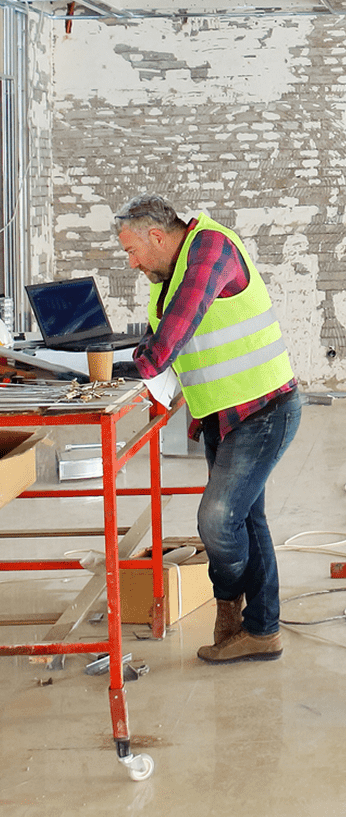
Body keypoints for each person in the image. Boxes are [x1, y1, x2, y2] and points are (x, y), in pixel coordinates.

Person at [113, 194, 301, 664]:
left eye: (132, 250)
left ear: (157, 236)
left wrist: (104, 370)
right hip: (223, 414)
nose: (132, 262)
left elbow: (169, 338)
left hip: (264, 410)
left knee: (217, 519)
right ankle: (263, 630)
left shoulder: (211, 250)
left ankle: (229, 601)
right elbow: (160, 339)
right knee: (247, 520)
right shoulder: (168, 274)